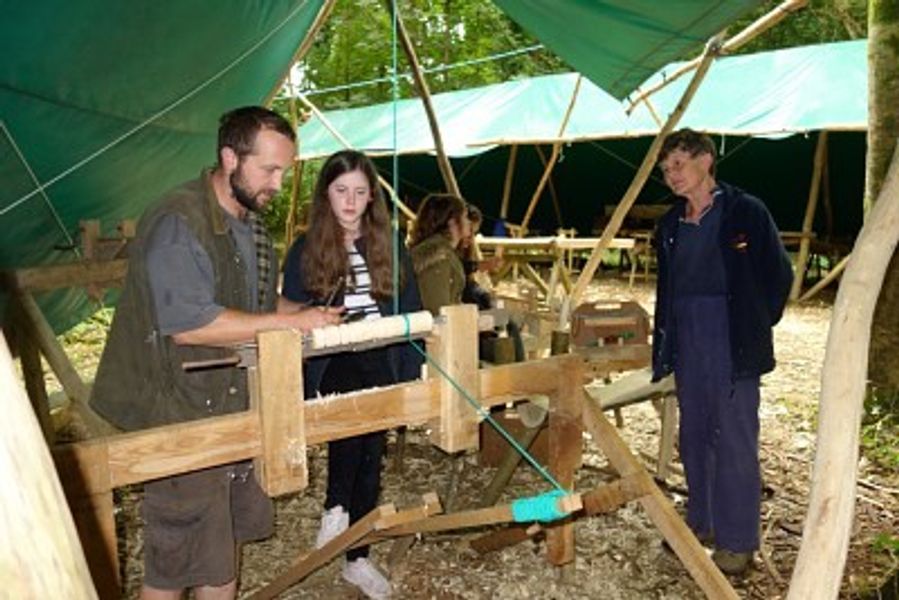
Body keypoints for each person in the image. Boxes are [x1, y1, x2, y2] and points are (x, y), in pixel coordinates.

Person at [90, 106, 342, 600]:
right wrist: (289, 323)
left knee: (219, 552)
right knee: (173, 563)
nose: (277, 182)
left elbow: (258, 301)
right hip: (176, 408)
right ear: (230, 157)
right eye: (269, 169)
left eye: (284, 171)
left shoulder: (249, 223)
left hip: (225, 399)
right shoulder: (178, 220)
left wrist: (311, 314)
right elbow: (192, 324)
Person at [281, 150, 423, 600]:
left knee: (371, 451)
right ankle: (338, 515)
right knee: (355, 409)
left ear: (371, 198)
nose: (350, 201)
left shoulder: (389, 242)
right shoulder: (306, 247)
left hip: (381, 352)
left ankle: (353, 547)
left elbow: (411, 307)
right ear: (326, 193)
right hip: (331, 359)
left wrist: (415, 366)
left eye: (360, 192)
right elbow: (289, 312)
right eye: (342, 191)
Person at [651, 129, 793, 575]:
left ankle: (737, 541)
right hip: (688, 336)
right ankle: (702, 522)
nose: (671, 175)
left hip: (730, 335)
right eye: (665, 169)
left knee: (733, 439)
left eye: (678, 164)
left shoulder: (744, 211)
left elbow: (778, 276)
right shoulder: (670, 225)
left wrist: (751, 323)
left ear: (706, 160)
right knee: (694, 434)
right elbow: (667, 290)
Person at [408, 193, 469, 315]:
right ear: (453, 222)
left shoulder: (445, 253)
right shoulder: (438, 258)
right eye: (465, 217)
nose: (468, 222)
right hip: (440, 331)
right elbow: (438, 311)